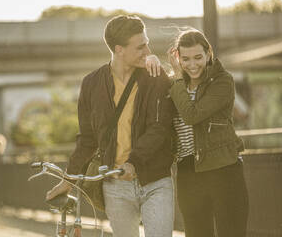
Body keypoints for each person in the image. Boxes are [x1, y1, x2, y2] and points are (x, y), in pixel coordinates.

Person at [46, 15, 175, 237]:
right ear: (119, 49)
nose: (148, 50)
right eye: (140, 47)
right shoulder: (91, 84)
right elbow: (87, 139)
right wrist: (68, 181)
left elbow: (160, 128)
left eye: (147, 43)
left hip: (155, 179)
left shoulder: (155, 76)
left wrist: (134, 163)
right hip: (116, 186)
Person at [150, 27, 249, 236]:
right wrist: (151, 59)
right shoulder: (173, 83)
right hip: (188, 171)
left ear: (208, 53)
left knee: (232, 232)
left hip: (223, 168)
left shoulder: (222, 81)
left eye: (198, 57)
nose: (192, 65)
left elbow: (192, 115)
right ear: (177, 56)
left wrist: (176, 78)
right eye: (185, 59)